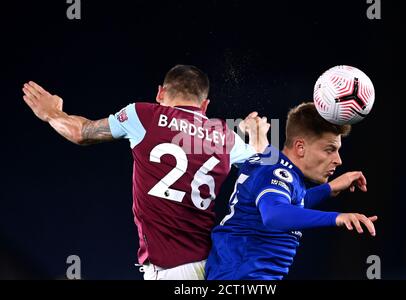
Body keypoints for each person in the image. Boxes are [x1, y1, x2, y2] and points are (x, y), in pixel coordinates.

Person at [21, 65, 270, 280]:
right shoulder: (223, 135)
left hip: (171, 268)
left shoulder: (142, 115)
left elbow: (82, 132)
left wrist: (51, 113)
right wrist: (259, 136)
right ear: (204, 105)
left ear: (160, 93)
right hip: (213, 264)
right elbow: (265, 170)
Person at [205, 102, 378, 280]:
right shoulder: (276, 172)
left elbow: (288, 204)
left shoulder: (277, 167)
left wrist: (328, 189)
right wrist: (337, 217)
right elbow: (274, 214)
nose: (338, 160)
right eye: (330, 150)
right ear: (300, 147)